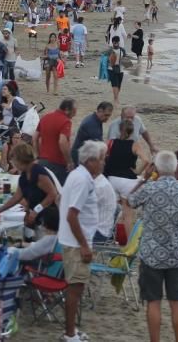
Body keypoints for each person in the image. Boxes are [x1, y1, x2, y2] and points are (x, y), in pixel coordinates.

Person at [126, 151, 178, 342]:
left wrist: (143, 178)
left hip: (151, 253)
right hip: (176, 253)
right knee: (176, 302)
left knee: (154, 302)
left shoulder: (149, 188)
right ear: (175, 169)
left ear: (156, 169)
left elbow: (130, 200)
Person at [58, 140, 107, 342]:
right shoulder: (83, 180)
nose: (104, 164)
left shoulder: (77, 175)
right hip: (77, 243)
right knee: (75, 287)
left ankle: (72, 331)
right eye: (102, 160)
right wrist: (85, 245)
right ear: (91, 161)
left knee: (76, 287)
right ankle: (70, 333)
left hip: (73, 240)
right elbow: (72, 215)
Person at [0, 143, 58, 228]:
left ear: (21, 159)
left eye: (13, 160)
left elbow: (53, 194)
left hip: (49, 218)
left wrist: (36, 210)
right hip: (36, 218)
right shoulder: (24, 176)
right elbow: (16, 197)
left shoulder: (38, 172)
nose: (13, 163)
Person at [34, 98, 76, 183]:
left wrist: (37, 156)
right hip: (57, 164)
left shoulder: (45, 117)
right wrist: (69, 162)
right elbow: (62, 141)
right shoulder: (65, 121)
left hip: (42, 161)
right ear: (67, 110)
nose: (74, 114)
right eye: (74, 111)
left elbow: (34, 137)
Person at [70, 101, 113, 168]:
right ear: (100, 111)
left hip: (82, 154)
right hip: (80, 157)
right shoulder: (92, 124)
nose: (107, 118)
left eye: (109, 115)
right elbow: (99, 146)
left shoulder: (94, 119)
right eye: (106, 115)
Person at [108, 35, 125, 104]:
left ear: (119, 42)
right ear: (112, 43)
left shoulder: (122, 50)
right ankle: (116, 99)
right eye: (114, 43)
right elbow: (106, 61)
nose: (115, 44)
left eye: (116, 42)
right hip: (111, 69)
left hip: (121, 69)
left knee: (119, 85)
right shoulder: (109, 51)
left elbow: (126, 60)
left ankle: (116, 97)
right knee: (114, 84)